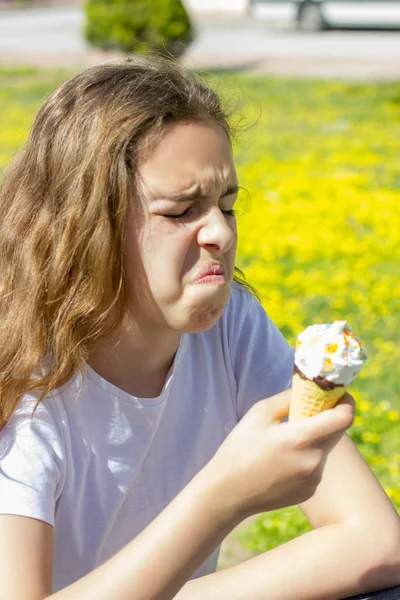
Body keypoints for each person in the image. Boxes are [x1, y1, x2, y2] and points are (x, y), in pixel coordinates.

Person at [0, 57, 399, 600]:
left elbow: (376, 540)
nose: (218, 232)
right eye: (181, 210)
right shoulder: (26, 385)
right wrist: (220, 495)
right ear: (84, 226)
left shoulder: (227, 323)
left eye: (227, 205)